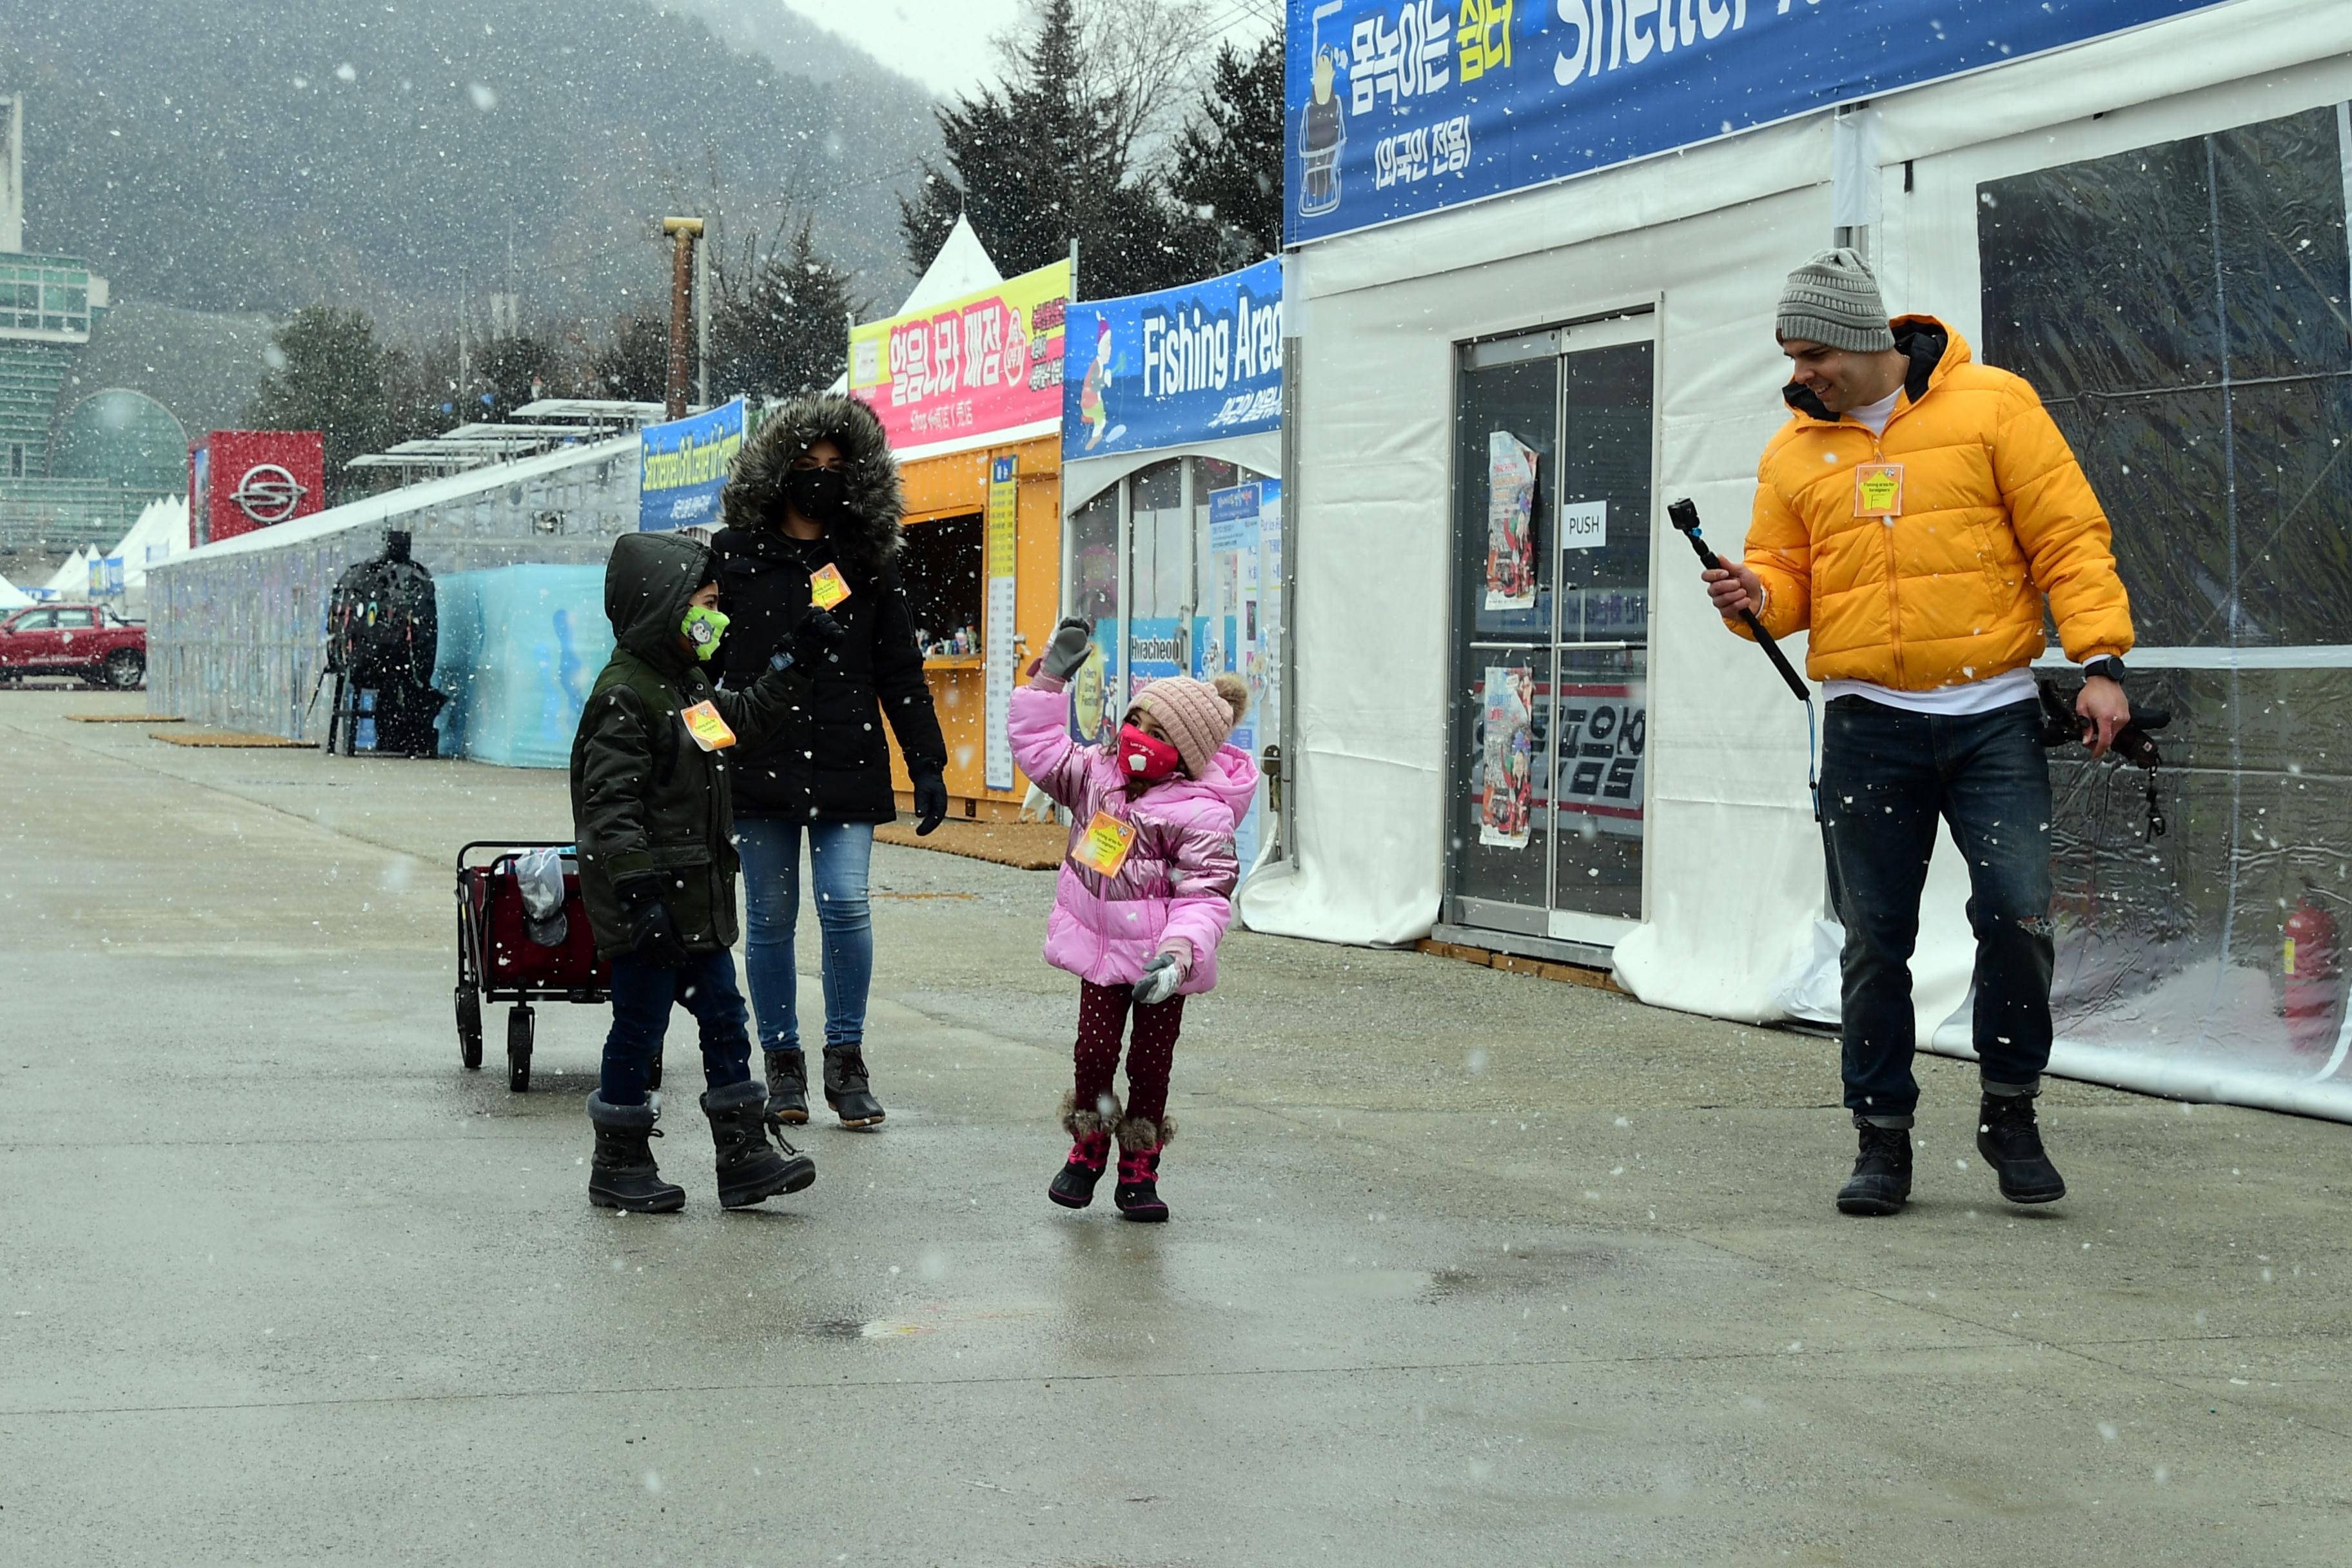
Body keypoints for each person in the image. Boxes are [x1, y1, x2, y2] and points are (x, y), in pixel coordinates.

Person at [1703, 248, 2135, 1218]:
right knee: (1873, 941)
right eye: (1789, 354)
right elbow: (1787, 583)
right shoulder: (1792, 452)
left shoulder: (1994, 406)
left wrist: (2102, 661)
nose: (1799, 373)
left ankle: (2011, 1110)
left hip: (1992, 719)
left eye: (1812, 352)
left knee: (2018, 917)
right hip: (1867, 725)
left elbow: (2068, 535)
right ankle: (1881, 1140)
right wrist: (1754, 598)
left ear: (1864, 337)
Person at [571, 530, 840, 1213]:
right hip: (654, 906)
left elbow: (739, 722)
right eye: (707, 603)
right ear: (663, 604)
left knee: (724, 1015)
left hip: (699, 902)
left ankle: (743, 1152)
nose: (716, 618)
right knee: (638, 1026)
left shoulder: (685, 684)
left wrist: (798, 661)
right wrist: (638, 894)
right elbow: (611, 808)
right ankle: (620, 1158)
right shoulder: (626, 695)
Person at [712, 395, 950, 1133]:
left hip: (847, 756)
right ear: (778, 470)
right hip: (760, 760)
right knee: (770, 917)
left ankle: (845, 1056)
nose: (819, 479)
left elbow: (900, 669)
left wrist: (928, 760)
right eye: (807, 465)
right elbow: (702, 656)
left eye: (835, 468)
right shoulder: (733, 556)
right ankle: (781, 1060)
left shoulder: (866, 563)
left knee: (846, 902)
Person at [1009, 619, 1259, 1222]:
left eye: (1159, 733)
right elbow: (1040, 752)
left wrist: (1177, 956)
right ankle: (1088, 1144)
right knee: (1093, 1052)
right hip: (1100, 953)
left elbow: (1206, 895)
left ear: (1190, 752)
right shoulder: (1097, 773)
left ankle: (1139, 1164)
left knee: (1151, 1063)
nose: (1138, 737)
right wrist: (1048, 682)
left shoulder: (1201, 812)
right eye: (1136, 722)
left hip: (1160, 964)